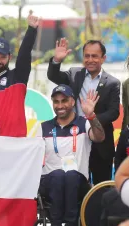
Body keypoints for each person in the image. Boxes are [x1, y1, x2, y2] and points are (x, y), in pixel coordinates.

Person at [37, 84, 105, 226]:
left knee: (70, 175)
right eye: (56, 101)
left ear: (73, 102)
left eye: (64, 101)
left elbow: (99, 137)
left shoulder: (83, 123)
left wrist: (92, 116)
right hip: (50, 182)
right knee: (59, 175)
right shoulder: (44, 127)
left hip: (77, 181)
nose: (60, 106)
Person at [47, 39, 121, 185]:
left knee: (101, 187)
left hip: (101, 143)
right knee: (75, 184)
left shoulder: (112, 83)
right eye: (87, 56)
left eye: (94, 56)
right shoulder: (74, 74)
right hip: (74, 141)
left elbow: (113, 112)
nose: (90, 60)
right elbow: (53, 76)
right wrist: (56, 60)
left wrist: (90, 120)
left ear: (103, 58)